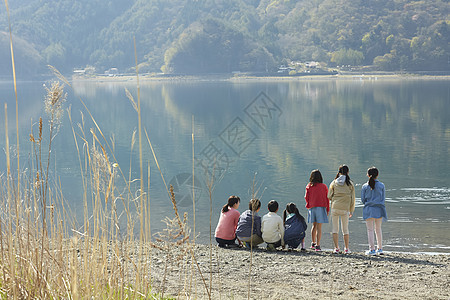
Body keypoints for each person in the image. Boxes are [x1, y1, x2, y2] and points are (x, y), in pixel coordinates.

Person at [328, 165, 355, 254]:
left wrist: (335, 200)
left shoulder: (334, 182)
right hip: (345, 208)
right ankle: (346, 248)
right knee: (345, 229)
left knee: (335, 229)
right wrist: (351, 210)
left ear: (339, 172)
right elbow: (353, 199)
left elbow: (329, 196)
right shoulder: (350, 184)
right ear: (348, 172)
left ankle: (336, 248)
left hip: (335, 207)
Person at [361, 167, 387, 255]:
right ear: (377, 175)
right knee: (378, 229)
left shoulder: (365, 186)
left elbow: (363, 199)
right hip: (379, 209)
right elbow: (383, 199)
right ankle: (380, 249)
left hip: (369, 209)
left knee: (370, 230)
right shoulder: (382, 185)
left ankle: (372, 249)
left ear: (368, 175)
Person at [304, 169, 329, 251]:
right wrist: (327, 209)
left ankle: (313, 243)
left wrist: (308, 205)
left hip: (312, 208)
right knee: (319, 227)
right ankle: (318, 245)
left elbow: (306, 197)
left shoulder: (309, 186)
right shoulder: (324, 186)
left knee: (313, 226)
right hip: (321, 208)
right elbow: (327, 199)